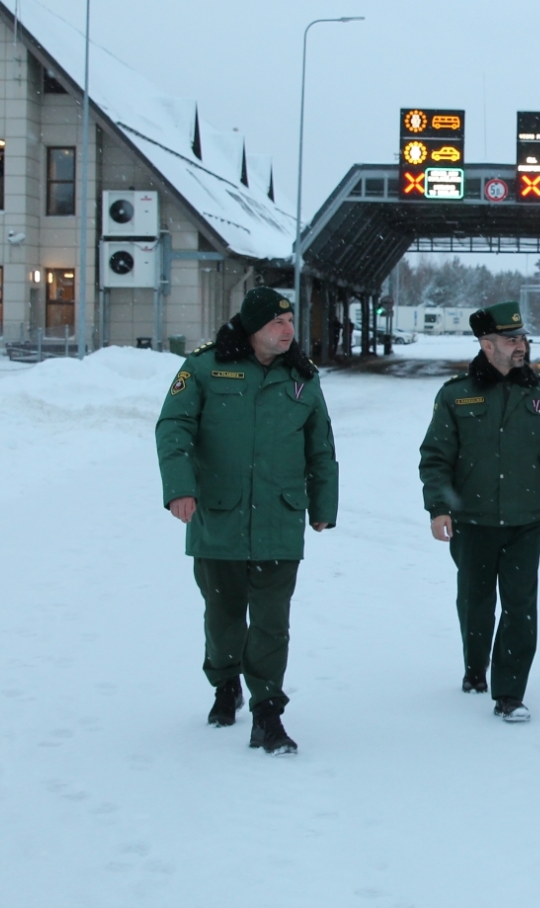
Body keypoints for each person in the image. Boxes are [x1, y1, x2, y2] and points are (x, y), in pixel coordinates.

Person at [156, 287, 339, 754]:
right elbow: (173, 427)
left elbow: (321, 447)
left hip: (279, 517)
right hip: (218, 515)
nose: (288, 331)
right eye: (278, 323)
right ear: (253, 327)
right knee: (223, 617)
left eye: (291, 322)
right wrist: (180, 487)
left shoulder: (303, 376)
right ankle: (224, 684)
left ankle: (267, 713)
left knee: (272, 623)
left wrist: (323, 506)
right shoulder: (203, 366)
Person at [419, 301, 540, 723]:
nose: (521, 346)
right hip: (472, 521)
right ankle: (475, 665)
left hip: (526, 521)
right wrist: (439, 508)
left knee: (520, 607)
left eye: (522, 338)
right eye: (511, 340)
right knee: (475, 601)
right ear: (487, 345)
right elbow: (435, 457)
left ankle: (509, 693)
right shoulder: (456, 394)